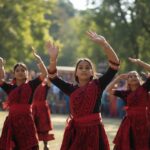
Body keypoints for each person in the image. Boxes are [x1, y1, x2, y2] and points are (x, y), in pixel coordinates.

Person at [46, 31, 120, 150]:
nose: (84, 70)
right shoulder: (71, 89)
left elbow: (115, 65)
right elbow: (53, 77)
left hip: (94, 132)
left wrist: (105, 44)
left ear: (92, 72)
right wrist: (53, 59)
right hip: (76, 133)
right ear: (76, 72)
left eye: (87, 67)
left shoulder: (98, 85)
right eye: (80, 68)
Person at [0, 47, 47, 150]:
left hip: (26, 121)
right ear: (14, 74)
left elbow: (44, 74)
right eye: (17, 70)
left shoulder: (31, 85)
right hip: (12, 122)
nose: (20, 72)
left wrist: (39, 60)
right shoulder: (10, 87)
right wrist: (1, 66)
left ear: (27, 73)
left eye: (23, 70)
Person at [106, 58, 150, 150]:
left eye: (135, 76)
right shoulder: (125, 93)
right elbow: (108, 90)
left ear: (139, 79)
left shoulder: (145, 88)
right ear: (127, 81)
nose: (133, 77)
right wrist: (118, 78)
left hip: (144, 123)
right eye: (130, 76)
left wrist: (139, 62)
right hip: (129, 124)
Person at [32, 78, 54, 150]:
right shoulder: (32, 85)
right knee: (34, 127)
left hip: (42, 108)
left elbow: (49, 82)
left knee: (44, 127)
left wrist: (47, 75)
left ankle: (46, 145)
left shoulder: (45, 85)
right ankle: (35, 144)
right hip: (35, 107)